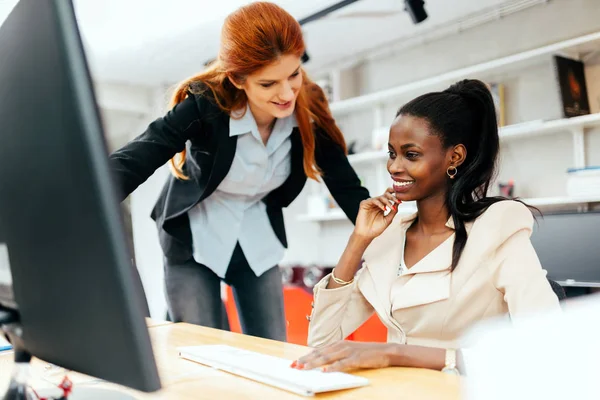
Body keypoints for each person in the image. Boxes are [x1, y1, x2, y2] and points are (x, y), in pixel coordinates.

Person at [108, 2, 369, 341]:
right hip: (194, 237)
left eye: (294, 74)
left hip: (256, 236)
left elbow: (345, 183)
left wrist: (386, 239)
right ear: (238, 79)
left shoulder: (308, 104)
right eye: (268, 84)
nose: (287, 92)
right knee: (205, 347)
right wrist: (88, 200)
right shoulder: (206, 105)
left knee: (271, 347)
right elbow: (140, 154)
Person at [291, 79, 560, 372]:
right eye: (392, 153)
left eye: (411, 154)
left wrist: (395, 354)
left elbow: (546, 344)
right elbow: (321, 341)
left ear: (454, 157)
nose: (394, 166)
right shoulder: (391, 236)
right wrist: (359, 240)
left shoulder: (496, 229)